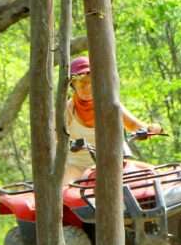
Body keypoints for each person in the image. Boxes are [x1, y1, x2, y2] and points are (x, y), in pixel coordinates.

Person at [63, 56, 162, 186]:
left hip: (114, 164)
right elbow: (54, 138)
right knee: (65, 191)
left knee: (157, 176)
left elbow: (134, 125)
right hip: (79, 167)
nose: (86, 88)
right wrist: (69, 144)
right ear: (73, 85)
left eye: (90, 83)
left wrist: (152, 128)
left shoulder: (110, 105)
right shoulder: (68, 109)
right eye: (82, 84)